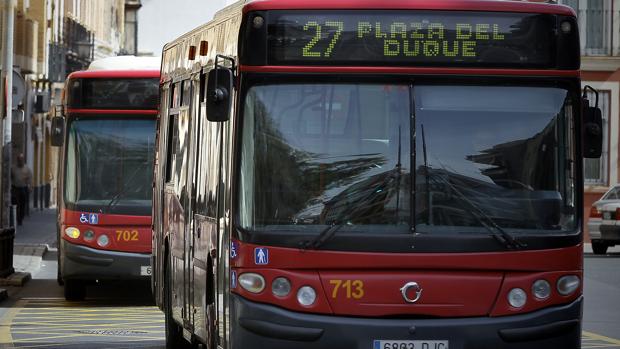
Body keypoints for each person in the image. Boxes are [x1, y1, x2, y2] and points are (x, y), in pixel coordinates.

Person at [11, 153, 32, 225]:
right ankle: (16, 217)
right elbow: (10, 177)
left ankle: (21, 217)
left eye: (22, 160)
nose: (20, 161)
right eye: (19, 160)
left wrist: (29, 186)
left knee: (23, 203)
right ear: (17, 160)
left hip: (23, 188)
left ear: (23, 160)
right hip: (15, 188)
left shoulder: (27, 169)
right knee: (15, 203)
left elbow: (29, 179)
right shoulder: (13, 168)